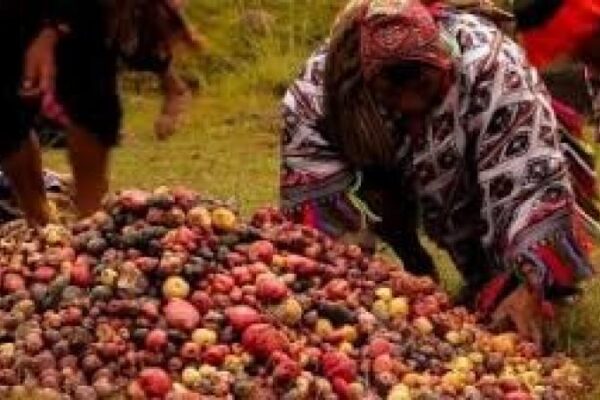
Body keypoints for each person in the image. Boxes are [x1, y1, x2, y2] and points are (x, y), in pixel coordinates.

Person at [281, 0, 595, 346]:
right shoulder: (323, 90)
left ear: (446, 62)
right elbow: (317, 203)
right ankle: (414, 266)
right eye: (392, 92)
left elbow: (534, 179)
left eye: (424, 86)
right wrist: (341, 278)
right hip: (381, 157)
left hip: (478, 134)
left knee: (499, 281)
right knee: (347, 259)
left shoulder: (493, 68)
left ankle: (507, 284)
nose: (411, 104)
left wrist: (529, 283)